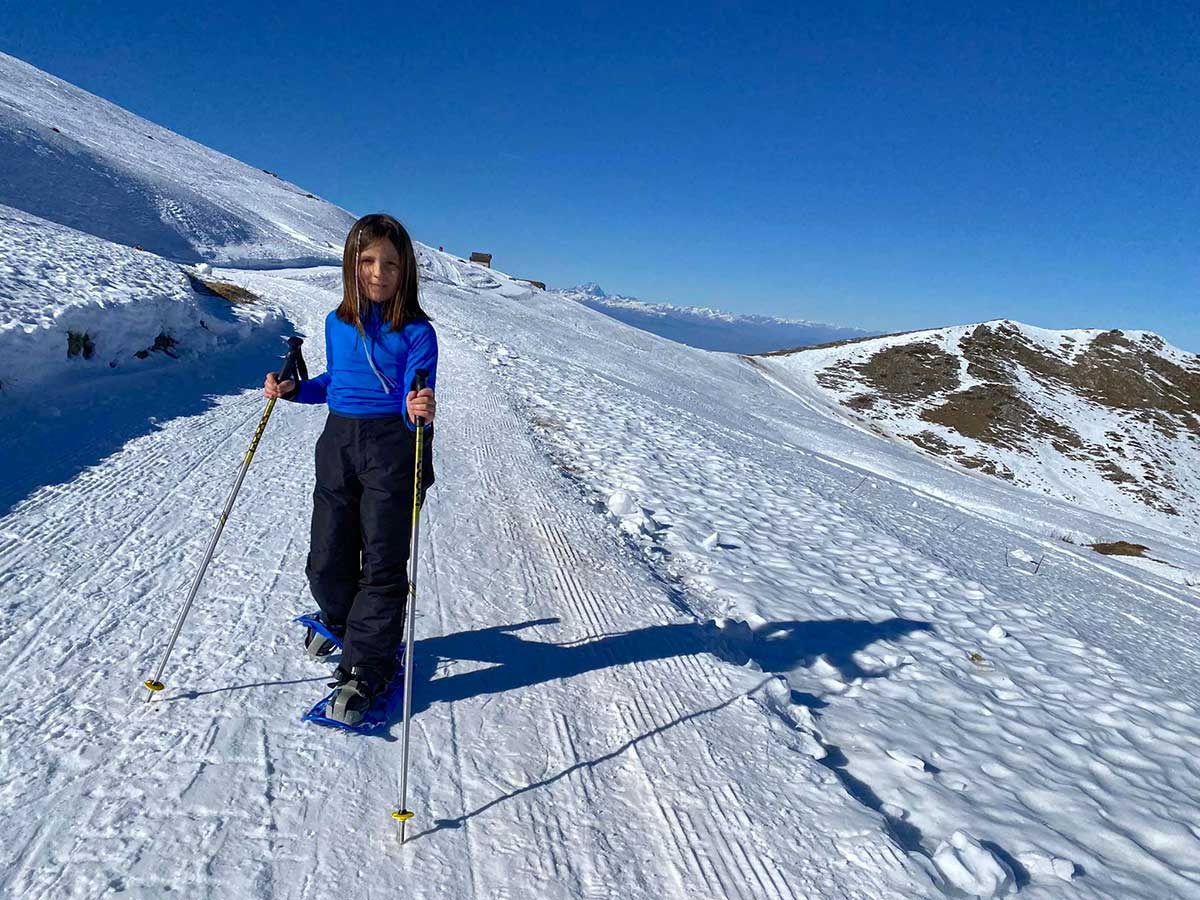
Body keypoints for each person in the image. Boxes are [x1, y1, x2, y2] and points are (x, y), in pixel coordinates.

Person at [264, 213, 437, 725]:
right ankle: (341, 618)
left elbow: (415, 390)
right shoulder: (336, 324)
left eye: (390, 262)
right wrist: (297, 390)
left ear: (405, 269)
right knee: (326, 556)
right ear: (351, 264)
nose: (378, 272)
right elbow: (333, 383)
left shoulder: (418, 331)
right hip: (338, 441)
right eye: (367, 261)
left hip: (394, 448)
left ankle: (369, 665)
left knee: (381, 563)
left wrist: (418, 407)